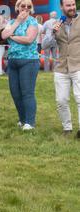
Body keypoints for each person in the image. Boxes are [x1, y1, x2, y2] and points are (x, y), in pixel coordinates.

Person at [2, 0, 39, 131]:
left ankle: (30, 122)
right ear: (17, 7)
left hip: (29, 61)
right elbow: (3, 35)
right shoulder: (11, 22)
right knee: (15, 93)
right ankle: (22, 119)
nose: (26, 8)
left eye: (29, 6)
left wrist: (12, 36)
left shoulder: (33, 22)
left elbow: (28, 40)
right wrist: (17, 22)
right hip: (13, 61)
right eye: (23, 5)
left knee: (27, 92)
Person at [53, 0, 80, 137]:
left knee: (79, 98)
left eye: (73, 5)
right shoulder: (56, 23)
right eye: (68, 5)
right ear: (61, 7)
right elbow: (45, 45)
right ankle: (67, 128)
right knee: (61, 100)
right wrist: (53, 32)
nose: (72, 7)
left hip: (78, 65)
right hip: (61, 67)